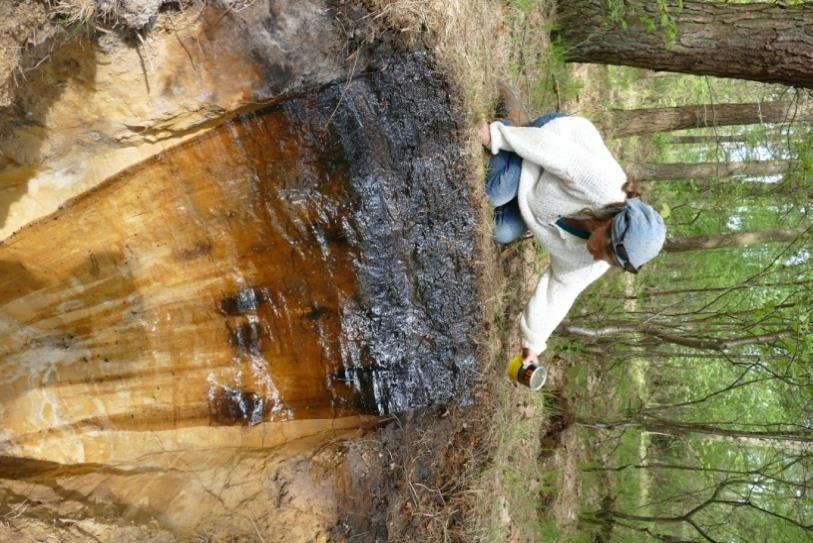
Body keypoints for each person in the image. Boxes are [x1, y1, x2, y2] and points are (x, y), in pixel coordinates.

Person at [479, 102, 667, 369]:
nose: (600, 258)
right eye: (606, 250)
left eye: (610, 261)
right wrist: (496, 136)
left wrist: (533, 343)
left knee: (501, 231)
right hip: (550, 142)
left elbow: (562, 288)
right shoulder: (602, 184)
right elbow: (557, 153)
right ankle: (510, 130)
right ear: (610, 224)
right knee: (495, 194)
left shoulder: (594, 264)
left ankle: (513, 165)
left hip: (535, 199)